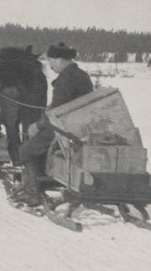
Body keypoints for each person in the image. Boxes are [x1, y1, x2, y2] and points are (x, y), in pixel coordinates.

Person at [13, 42, 94, 206]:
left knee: (26, 150)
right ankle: (37, 182)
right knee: (37, 147)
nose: (50, 65)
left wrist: (38, 125)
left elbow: (57, 111)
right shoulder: (82, 75)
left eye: (51, 61)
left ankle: (33, 193)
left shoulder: (65, 79)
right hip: (80, 126)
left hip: (64, 128)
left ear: (59, 59)